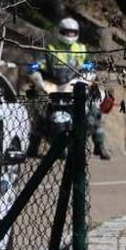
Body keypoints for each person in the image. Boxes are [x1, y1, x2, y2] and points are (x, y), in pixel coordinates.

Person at [27, 17, 93, 158]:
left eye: (72, 32)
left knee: (93, 111)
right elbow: (39, 62)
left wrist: (89, 72)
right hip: (53, 83)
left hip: (73, 83)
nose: (69, 35)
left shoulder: (81, 49)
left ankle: (99, 145)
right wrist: (34, 70)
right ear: (60, 32)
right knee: (38, 115)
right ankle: (32, 148)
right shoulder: (51, 48)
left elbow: (89, 64)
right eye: (66, 32)